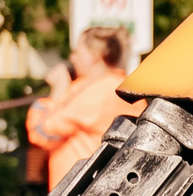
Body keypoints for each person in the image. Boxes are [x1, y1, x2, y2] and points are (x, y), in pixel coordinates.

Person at [25, 25, 141, 182]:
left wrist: (57, 94)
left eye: (77, 52)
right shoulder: (128, 88)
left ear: (93, 56)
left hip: (81, 191)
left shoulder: (94, 93)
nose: (72, 58)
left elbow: (42, 133)